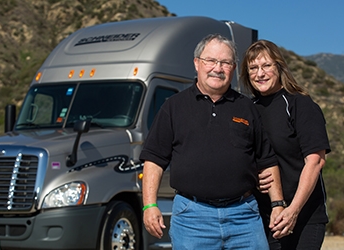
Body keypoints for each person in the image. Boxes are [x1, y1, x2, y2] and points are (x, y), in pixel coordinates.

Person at [140, 34, 288, 249]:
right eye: (210, 60)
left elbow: (266, 160)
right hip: (192, 217)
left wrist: (277, 204)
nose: (217, 68)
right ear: (196, 63)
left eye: (225, 63)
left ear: (234, 68)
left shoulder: (247, 108)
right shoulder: (173, 107)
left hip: (244, 216)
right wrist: (149, 205)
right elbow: (154, 159)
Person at [240, 39, 331, 250]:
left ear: (279, 67)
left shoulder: (300, 104)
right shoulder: (248, 109)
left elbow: (315, 162)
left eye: (266, 66)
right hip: (264, 215)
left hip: (304, 215)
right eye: (253, 68)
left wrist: (293, 210)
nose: (259, 73)